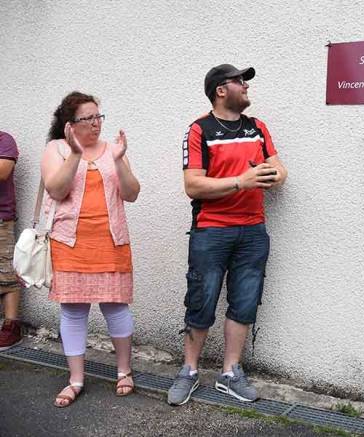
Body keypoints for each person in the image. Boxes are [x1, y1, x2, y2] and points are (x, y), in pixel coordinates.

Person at [167, 64, 287, 406]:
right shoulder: (199, 129)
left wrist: (271, 175)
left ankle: (230, 373)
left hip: (253, 230)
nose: (246, 86)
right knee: (201, 300)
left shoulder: (257, 127)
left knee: (245, 301)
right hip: (211, 231)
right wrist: (241, 181)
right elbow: (193, 184)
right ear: (221, 90)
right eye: (240, 81)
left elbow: (281, 169)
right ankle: (189, 370)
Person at [41, 91, 140, 407]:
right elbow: (56, 190)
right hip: (70, 242)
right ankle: (76, 379)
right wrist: (74, 154)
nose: (96, 123)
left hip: (111, 241)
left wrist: (121, 159)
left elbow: (132, 193)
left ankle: (124, 371)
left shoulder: (113, 149)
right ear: (70, 124)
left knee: (116, 306)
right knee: (73, 310)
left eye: (99, 116)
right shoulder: (55, 149)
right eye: (89, 118)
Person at [0, 131, 22, 351]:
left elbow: (3, 171)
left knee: (6, 274)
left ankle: (11, 326)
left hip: (1, 219)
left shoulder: (3, 139)